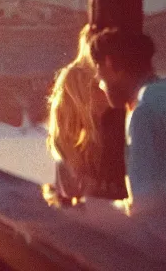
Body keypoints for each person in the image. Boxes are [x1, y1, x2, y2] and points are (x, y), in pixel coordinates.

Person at [88, 27, 166, 217]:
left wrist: (93, 213)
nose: (99, 82)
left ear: (109, 63)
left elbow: (150, 208)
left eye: (98, 72)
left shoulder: (144, 113)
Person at [46, 24, 127, 204]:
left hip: (76, 187)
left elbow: (60, 138)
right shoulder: (95, 81)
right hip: (102, 188)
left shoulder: (69, 79)